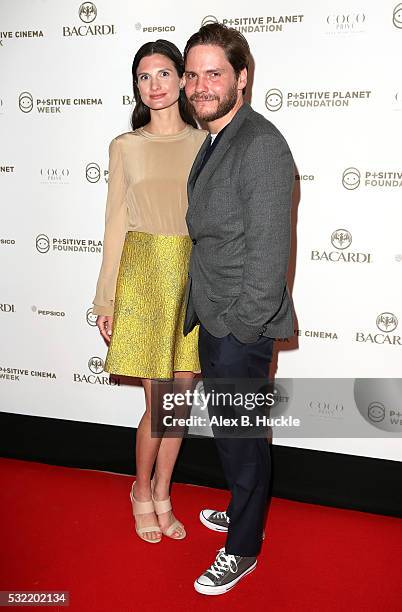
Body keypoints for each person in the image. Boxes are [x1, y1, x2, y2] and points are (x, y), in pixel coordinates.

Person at [183, 23, 295, 594]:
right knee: (233, 432)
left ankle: (243, 547)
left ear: (241, 79)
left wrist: (238, 327)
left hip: (239, 325)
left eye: (215, 74)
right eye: (193, 74)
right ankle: (242, 511)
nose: (201, 86)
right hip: (217, 314)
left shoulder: (260, 145)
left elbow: (269, 254)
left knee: (243, 436)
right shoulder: (217, 139)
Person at [92, 40, 207, 544]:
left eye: (164, 73)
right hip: (143, 277)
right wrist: (105, 298)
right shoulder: (125, 145)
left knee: (180, 404)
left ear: (183, 80)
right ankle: (141, 490)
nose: (154, 85)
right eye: (144, 76)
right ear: (136, 86)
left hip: (192, 275)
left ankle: (163, 490)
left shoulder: (207, 143)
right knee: (159, 403)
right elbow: (114, 224)